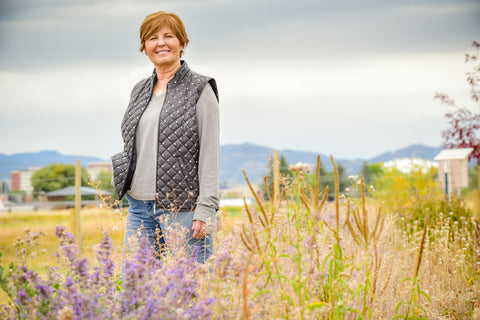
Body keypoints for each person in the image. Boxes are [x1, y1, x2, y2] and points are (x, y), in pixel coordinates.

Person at [111, 11, 220, 263]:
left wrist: (205, 208)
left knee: (190, 290)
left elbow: (210, 153)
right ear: (145, 47)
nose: (160, 43)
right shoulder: (139, 90)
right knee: (137, 290)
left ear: (181, 43)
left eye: (168, 36)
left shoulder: (200, 89)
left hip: (183, 209)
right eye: (152, 38)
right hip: (139, 207)